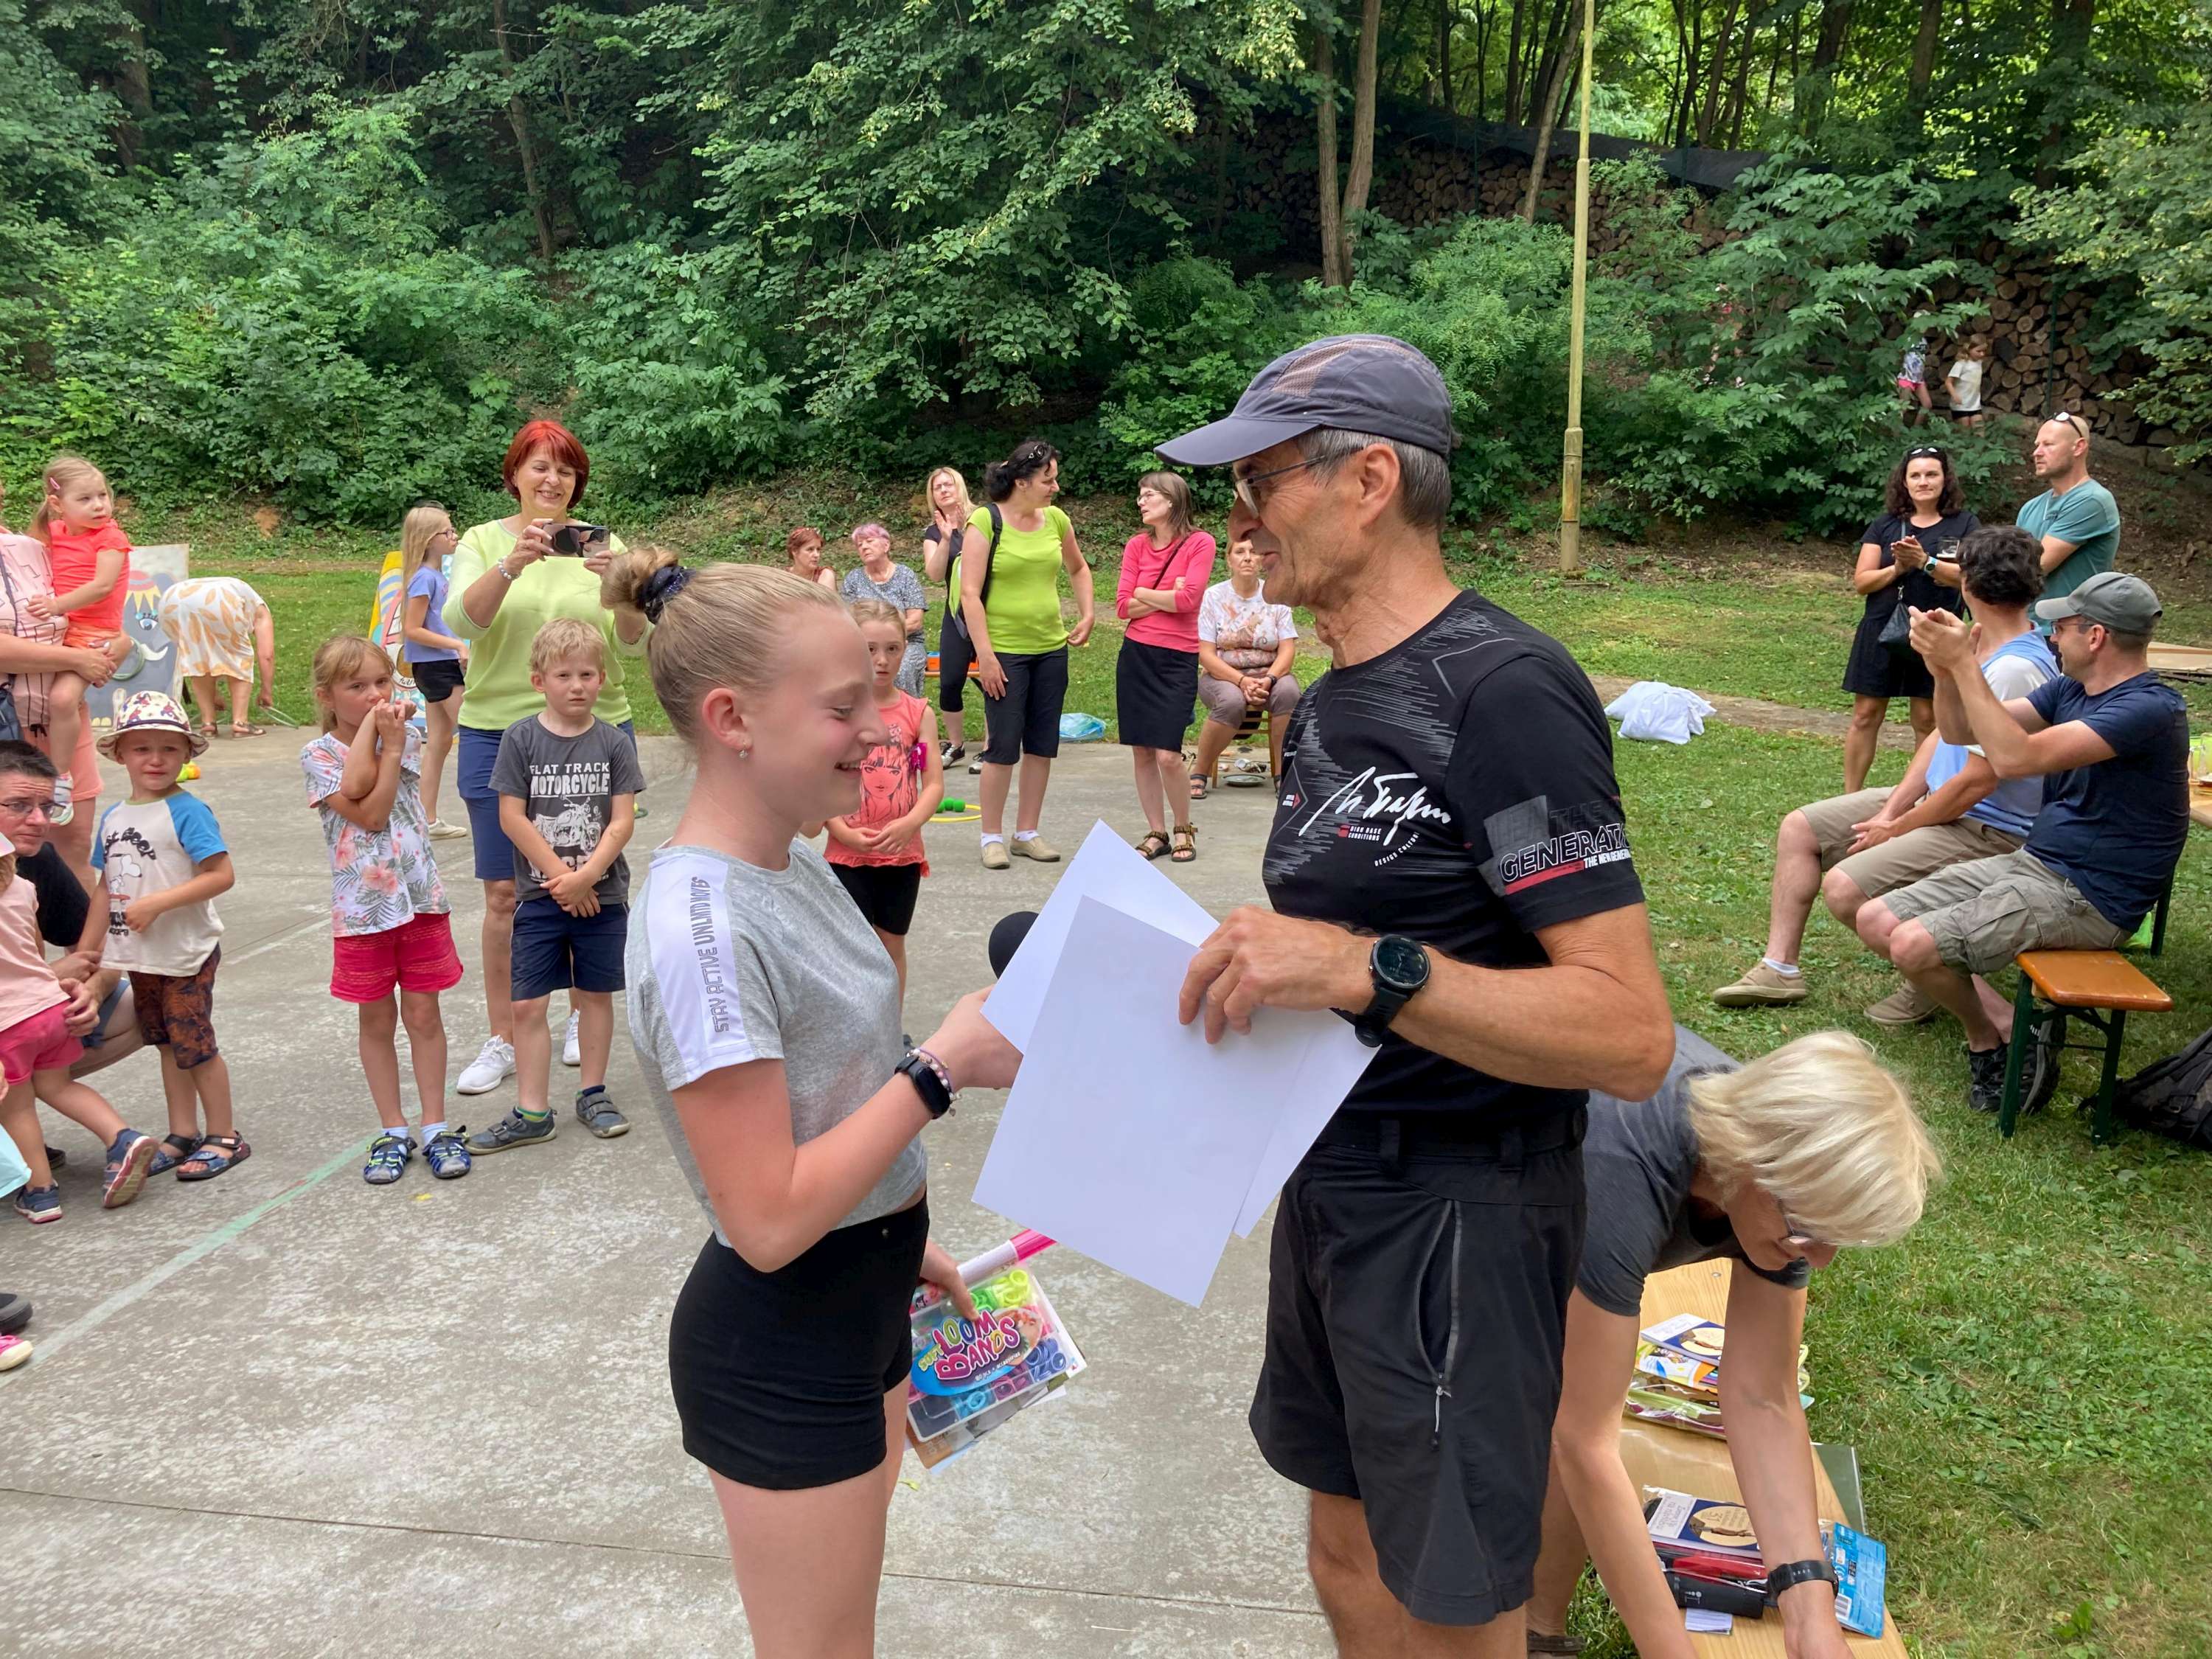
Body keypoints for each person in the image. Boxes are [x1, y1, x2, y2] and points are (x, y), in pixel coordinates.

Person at [1161, 335, 1673, 1656]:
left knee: (1449, 1601)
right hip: (1333, 1186)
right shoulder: (1334, 701)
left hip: (1464, 1209)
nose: (1239, 518)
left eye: (1260, 480)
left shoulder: (1505, 692)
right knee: (1345, 1554)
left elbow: (1627, 1032)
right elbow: (1351, 937)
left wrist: (1360, 968)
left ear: (1370, 479)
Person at [600, 546, 1019, 1658]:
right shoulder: (702, 928)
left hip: (865, 1294)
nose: (881, 729)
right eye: (844, 707)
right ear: (732, 718)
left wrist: (897, 1229)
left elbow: (826, 1092)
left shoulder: (793, 860)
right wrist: (940, 1069)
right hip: (783, 1347)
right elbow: (769, 1216)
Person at [1528, 1027, 1940, 1659]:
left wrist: (1810, 1614)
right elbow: (1585, 1442)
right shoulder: (1623, 1159)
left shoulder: (1780, 1183)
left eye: (1835, 1238)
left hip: (1564, 1225)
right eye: (1807, 1231)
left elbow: (1762, 1397)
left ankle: (1536, 1632)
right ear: (1752, 1162)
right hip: (1446, 1208)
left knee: (1575, 1401)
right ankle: (1528, 1630)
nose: (1819, 1259)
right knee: (1524, 1433)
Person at [1864, 572, 2188, 1113]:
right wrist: (1946, 671)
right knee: (1877, 919)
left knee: (1912, 945)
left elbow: (2015, 759)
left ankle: (1992, 1042)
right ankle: (2012, 1026)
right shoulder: (2071, 690)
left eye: (2062, 626)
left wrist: (1965, 664)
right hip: (2040, 865)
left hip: (2092, 897)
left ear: (2097, 636)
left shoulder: (2148, 710)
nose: (2051, 636)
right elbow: (1961, 732)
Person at [1714, 526, 2056, 1023]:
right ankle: (1780, 968)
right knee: (1801, 828)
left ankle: (1950, 987)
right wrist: (1894, 808)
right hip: (1941, 805)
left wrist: (1896, 828)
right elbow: (1943, 737)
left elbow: (1977, 783)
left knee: (1846, 889)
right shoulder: (1976, 644)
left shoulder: (2014, 670)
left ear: (1967, 583)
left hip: (1986, 827)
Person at [442, 419, 647, 1097]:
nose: (553, 479)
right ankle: (504, 1033)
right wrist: (512, 564)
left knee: (592, 883)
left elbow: (633, 642)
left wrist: (621, 589)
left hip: (596, 730)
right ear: (515, 476)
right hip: (499, 728)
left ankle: (580, 1013)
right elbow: (460, 623)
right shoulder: (481, 541)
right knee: (506, 893)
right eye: (539, 466)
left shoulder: (603, 544)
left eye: (565, 469)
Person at [470, 619, 644, 1154]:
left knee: (593, 996)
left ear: (602, 679)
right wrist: (561, 879)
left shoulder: (613, 743)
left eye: (587, 674)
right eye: (563, 675)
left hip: (601, 896)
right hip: (541, 897)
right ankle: (532, 1110)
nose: (576, 686)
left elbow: (622, 820)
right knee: (528, 1004)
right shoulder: (521, 739)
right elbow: (512, 817)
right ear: (538, 680)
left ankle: (593, 1092)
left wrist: (588, 877)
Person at [304, 637, 469, 1185]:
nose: (375, 695)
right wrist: (384, 745)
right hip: (362, 911)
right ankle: (393, 1129)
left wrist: (393, 742)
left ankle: (436, 1125)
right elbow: (367, 809)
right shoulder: (318, 755)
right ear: (327, 696)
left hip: (419, 899)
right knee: (376, 1020)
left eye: (381, 682)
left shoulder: (410, 735)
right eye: (357, 687)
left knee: (424, 1015)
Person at [90, 692, 245, 1183]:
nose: (155, 759)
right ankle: (182, 1132)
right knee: (164, 1043)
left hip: (185, 953)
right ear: (120, 754)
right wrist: (90, 952)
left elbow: (220, 874)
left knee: (195, 1043)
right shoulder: (115, 817)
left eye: (169, 749)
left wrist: (158, 903)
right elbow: (105, 886)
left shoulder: (186, 811)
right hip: (141, 954)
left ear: (186, 755)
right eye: (142, 748)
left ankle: (224, 1135)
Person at [0, 741, 158, 1222]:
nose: (38, 821)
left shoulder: (36, 864)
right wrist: (48, 980)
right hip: (28, 1014)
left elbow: (104, 951)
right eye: (18, 806)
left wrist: (91, 990)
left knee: (150, 1004)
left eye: (47, 807)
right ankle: (115, 1138)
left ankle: (37, 1183)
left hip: (19, 1018)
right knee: (37, 1081)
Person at [959, 439, 1095, 869]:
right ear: (1021, 482)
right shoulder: (985, 521)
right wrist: (986, 656)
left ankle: (1027, 833)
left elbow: (1079, 567)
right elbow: (969, 593)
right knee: (1001, 747)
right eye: (1048, 480)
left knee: (1041, 746)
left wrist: (1088, 613)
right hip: (1004, 653)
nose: (1056, 487)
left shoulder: (1056, 520)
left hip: (1051, 650)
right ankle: (991, 836)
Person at [824, 600, 943, 1006]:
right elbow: (821, 777)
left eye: (893, 649)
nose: (882, 660)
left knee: (892, 944)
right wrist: (840, 829)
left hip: (901, 854)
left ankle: (890, 1026)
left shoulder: (918, 713)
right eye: (870, 649)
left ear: (906, 647)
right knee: (850, 949)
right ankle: (854, 1024)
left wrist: (910, 824)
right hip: (846, 854)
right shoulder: (837, 711)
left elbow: (932, 784)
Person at [1840, 446, 1977, 793]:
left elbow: (1970, 577)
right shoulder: (1885, 525)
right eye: (1915, 475)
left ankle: (1919, 798)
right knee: (1865, 714)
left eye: (1931, 474)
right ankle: (1850, 795)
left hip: (1935, 629)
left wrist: (1925, 562)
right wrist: (1898, 568)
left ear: (1945, 480)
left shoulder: (1965, 524)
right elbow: (1862, 582)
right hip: (1882, 628)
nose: (1923, 482)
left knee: (1927, 719)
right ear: (1904, 481)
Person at [0, 491, 119, 885]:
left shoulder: (34, 550)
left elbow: (103, 620)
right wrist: (76, 660)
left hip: (62, 719)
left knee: (74, 843)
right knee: (8, 857)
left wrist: (111, 650)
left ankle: (79, 927)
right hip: (7, 724)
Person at [1116, 472, 1216, 865]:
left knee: (1168, 755)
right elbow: (1122, 606)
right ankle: (1156, 832)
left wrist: (1144, 593)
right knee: (1142, 751)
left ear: (1172, 500)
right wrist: (1163, 595)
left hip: (1177, 659)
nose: (1140, 502)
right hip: (1136, 655)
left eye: (1148, 495)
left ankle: (1183, 827)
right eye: (1140, 496)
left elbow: (1189, 600)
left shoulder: (1200, 543)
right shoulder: (1136, 546)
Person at [25, 455, 131, 824]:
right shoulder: (53, 533)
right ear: (57, 504)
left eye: (102, 495)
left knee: (62, 698)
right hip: (60, 631)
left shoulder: (111, 538)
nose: (99, 505)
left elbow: (102, 586)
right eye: (85, 499)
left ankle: (61, 778)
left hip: (92, 634)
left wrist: (56, 605)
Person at [1192, 536, 1302, 790]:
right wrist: (1241, 681)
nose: (1248, 558)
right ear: (1229, 560)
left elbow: (1287, 650)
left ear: (1262, 559)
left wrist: (1269, 679)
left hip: (1270, 674)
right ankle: (1200, 771)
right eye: (1240, 552)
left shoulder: (1276, 595)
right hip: (1222, 675)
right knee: (1232, 701)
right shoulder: (1213, 597)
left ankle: (1283, 774)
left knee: (1289, 693)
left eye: (1254, 552)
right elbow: (1205, 654)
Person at [396, 504, 470, 838]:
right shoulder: (425, 578)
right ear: (428, 539)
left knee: (440, 741)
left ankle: (426, 818)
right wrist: (457, 646)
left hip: (437, 665)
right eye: (448, 532)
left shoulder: (435, 576)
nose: (454, 536)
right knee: (474, 730)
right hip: (438, 667)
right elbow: (412, 629)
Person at [2018, 413, 2121, 629]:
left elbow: (2034, 566)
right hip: (2029, 630)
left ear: (2078, 447)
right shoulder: (2031, 507)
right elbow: (2009, 564)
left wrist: (1959, 572)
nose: (2037, 452)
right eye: (2037, 445)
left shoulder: (2092, 501)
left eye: (2048, 444)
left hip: (2074, 633)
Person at [155, 575, 278, 742]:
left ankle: (208, 724)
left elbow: (207, 659)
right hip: (222, 599)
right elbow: (267, 655)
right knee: (239, 658)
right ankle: (240, 723)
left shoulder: (242, 593)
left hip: (172, 601)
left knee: (196, 656)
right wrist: (266, 692)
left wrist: (215, 695)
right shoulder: (260, 611)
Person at [920, 466, 978, 766]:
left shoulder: (981, 518)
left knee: (994, 680)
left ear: (960, 486)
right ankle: (956, 745)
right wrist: (945, 539)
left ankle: (993, 747)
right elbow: (933, 574)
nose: (943, 490)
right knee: (950, 681)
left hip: (989, 611)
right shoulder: (934, 531)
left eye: (948, 484)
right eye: (937, 487)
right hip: (956, 614)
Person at [840, 524, 928, 696]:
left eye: (869, 541)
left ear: (886, 545)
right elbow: (847, 621)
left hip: (905, 644)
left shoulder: (905, 575)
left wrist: (885, 634)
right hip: (866, 646)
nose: (864, 547)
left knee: (901, 670)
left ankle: (906, 710)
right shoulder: (853, 579)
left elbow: (916, 622)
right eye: (860, 545)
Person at [1946, 336, 1989, 429]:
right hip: (1960, 406)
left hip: (1975, 405)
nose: (1982, 354)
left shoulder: (1979, 363)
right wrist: (1954, 395)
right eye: (1979, 351)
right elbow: (1948, 382)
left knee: (1979, 430)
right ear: (1969, 349)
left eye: (1984, 351)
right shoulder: (1961, 364)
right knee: (1964, 430)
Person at [785, 526, 838, 592]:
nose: (816, 555)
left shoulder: (824, 575)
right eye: (810, 549)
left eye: (818, 549)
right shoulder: (783, 577)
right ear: (795, 551)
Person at [1896, 335, 1932, 425]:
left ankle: (1916, 429)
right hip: (1906, 378)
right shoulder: (1908, 338)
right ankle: (1895, 431)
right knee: (1903, 407)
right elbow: (1899, 353)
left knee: (1927, 405)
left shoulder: (1923, 340)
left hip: (1919, 379)